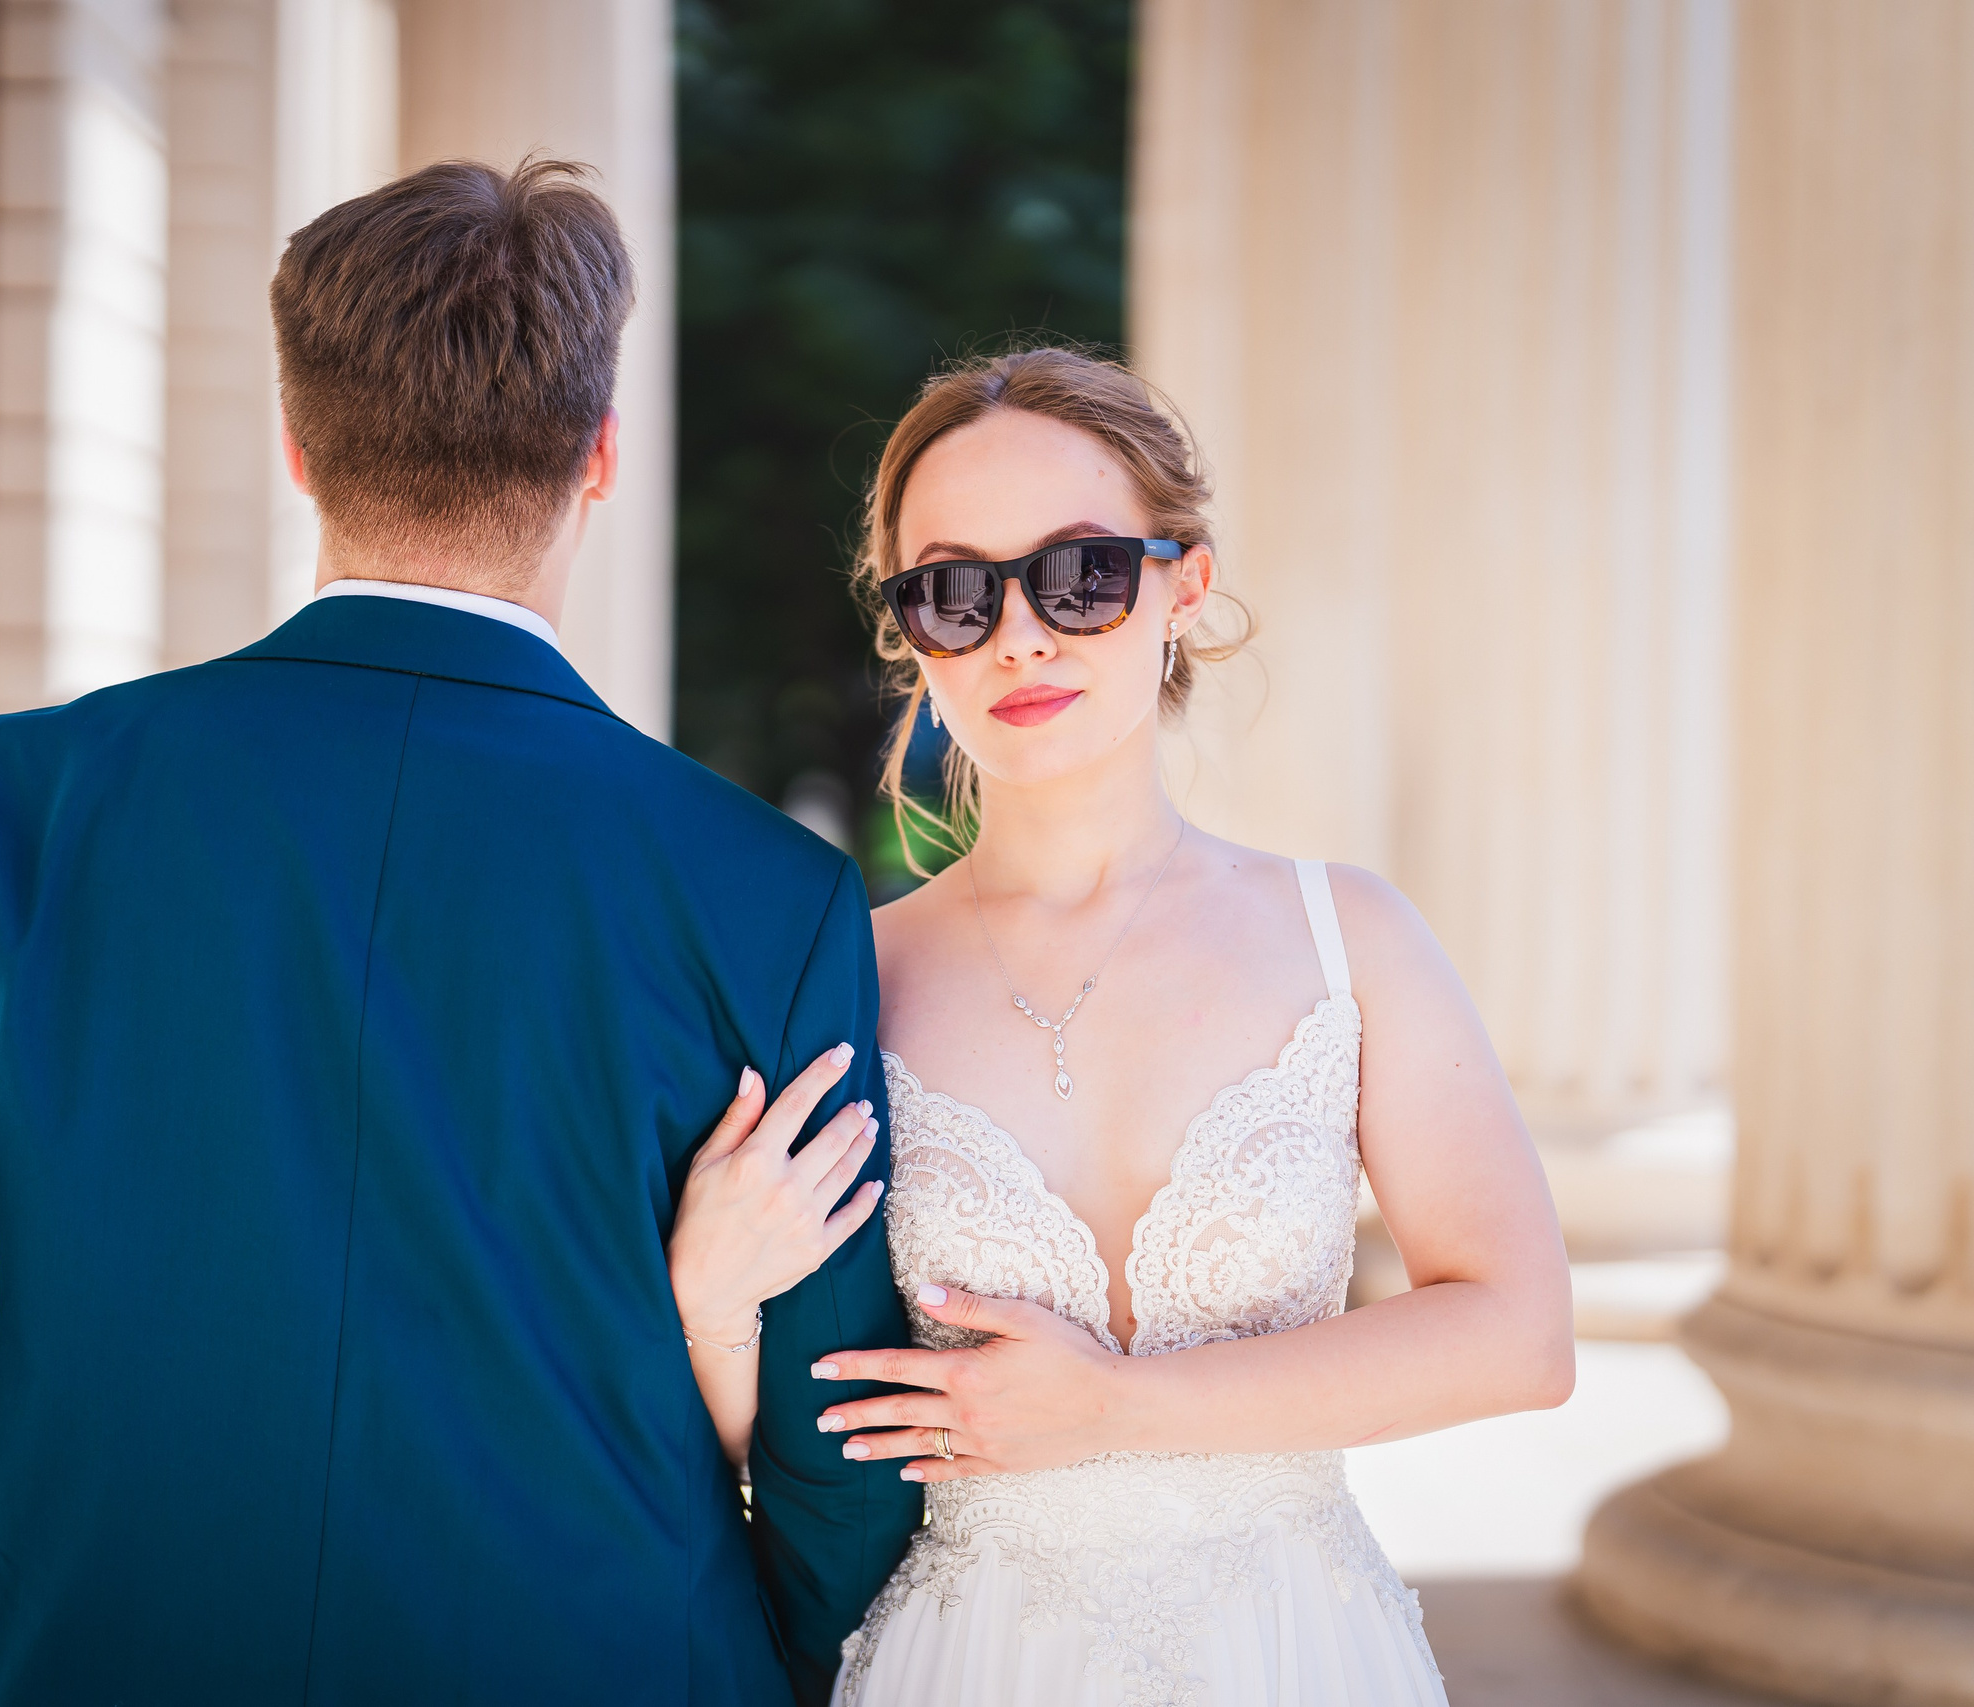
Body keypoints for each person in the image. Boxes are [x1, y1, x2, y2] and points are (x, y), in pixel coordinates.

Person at [0, 158, 922, 1707]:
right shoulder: (766, 890)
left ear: (298, 446)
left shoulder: (39, 800)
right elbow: (846, 1426)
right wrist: (750, 1655)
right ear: (602, 455)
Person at [665, 347, 1575, 1706]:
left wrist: (1124, 1412)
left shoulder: (1349, 938)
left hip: (1296, 1653)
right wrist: (704, 1294)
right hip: (966, 1663)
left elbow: (1522, 1337)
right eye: (957, 591)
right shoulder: (843, 980)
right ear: (909, 628)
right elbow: (772, 1438)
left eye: (1080, 574)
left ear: (1183, 586)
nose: (1021, 636)